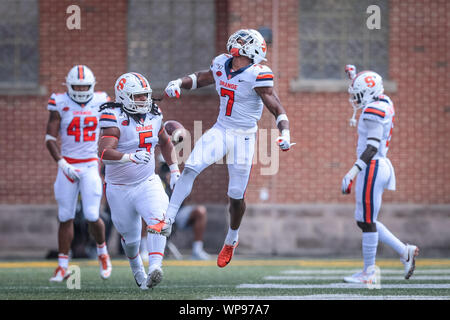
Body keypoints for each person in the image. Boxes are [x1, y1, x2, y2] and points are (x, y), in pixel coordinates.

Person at [148, 29, 295, 268]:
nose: (235, 42)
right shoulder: (221, 63)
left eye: (242, 41)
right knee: (191, 168)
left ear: (253, 49)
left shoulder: (258, 75)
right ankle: (167, 221)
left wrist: (285, 133)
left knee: (235, 197)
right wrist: (179, 82)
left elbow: (277, 108)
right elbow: (202, 78)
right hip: (221, 130)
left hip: (244, 138)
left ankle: (231, 239)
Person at [98, 72, 180, 289]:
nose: (144, 100)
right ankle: (138, 273)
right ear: (124, 97)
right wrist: (129, 157)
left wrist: (174, 170)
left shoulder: (154, 114)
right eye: (138, 96)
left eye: (146, 95)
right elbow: (104, 153)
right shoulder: (112, 116)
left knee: (159, 219)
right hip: (119, 188)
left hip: (147, 182)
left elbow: (165, 142)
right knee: (131, 241)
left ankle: (155, 267)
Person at [341, 65, 419, 283]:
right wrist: (354, 77)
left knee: (366, 220)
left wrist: (352, 171)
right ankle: (404, 251)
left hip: (372, 166)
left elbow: (372, 146)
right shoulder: (383, 101)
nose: (355, 100)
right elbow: (369, 87)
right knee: (364, 219)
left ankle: (370, 272)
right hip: (376, 166)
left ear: (368, 93)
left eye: (358, 95)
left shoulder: (373, 110)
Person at [45, 65, 112, 282]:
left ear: (92, 86)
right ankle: (62, 266)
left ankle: (103, 253)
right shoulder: (59, 101)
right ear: (68, 86)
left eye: (85, 86)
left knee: (93, 215)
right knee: (66, 216)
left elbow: (111, 130)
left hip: (90, 164)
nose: (81, 90)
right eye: (77, 86)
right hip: (68, 165)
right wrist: (62, 163)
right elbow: (50, 138)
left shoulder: (102, 100)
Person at [159, 161, 211, 260]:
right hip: (161, 213)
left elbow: (187, 199)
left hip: (178, 213)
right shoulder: (157, 180)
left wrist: (178, 188)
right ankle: (144, 250)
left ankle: (197, 250)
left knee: (200, 211)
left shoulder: (178, 174)